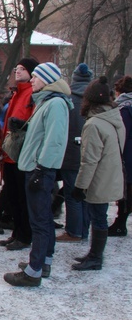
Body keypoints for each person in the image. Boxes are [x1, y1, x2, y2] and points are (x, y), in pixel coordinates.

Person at [4, 62, 72, 287]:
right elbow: (43, 133)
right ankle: (43, 262)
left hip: (40, 169)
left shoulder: (55, 104)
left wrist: (42, 170)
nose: (31, 80)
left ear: (48, 79)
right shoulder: (47, 101)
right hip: (36, 167)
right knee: (42, 219)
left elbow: (54, 141)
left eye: (36, 77)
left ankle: (33, 272)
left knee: (40, 221)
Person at [71, 77, 126, 271]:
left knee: (99, 218)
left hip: (99, 178)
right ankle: (94, 255)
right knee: (99, 217)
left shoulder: (94, 124)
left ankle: (95, 257)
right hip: (111, 175)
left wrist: (80, 186)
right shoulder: (113, 118)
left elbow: (90, 160)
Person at [0, 58, 39, 247]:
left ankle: (25, 235)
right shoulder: (16, 93)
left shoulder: (32, 94)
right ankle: (17, 232)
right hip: (9, 153)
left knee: (23, 198)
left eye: (22, 69)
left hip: (22, 154)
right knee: (13, 196)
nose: (17, 71)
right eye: (16, 68)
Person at [56, 63, 92, 242]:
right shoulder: (95, 100)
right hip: (90, 154)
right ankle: (83, 229)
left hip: (70, 153)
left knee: (72, 194)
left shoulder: (68, 99)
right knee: (85, 194)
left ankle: (74, 231)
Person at [107, 76, 132, 237]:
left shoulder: (124, 108)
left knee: (126, 189)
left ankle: (120, 224)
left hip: (127, 154)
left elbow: (123, 133)